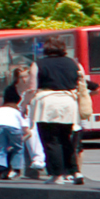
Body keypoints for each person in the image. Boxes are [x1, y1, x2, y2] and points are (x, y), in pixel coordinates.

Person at [32, 38, 86, 184]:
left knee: (51, 140)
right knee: (66, 139)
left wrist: (25, 104)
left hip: (47, 104)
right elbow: (81, 83)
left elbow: (32, 87)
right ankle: (75, 172)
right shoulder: (74, 63)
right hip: (68, 102)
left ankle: (57, 175)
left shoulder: (38, 64)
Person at [0, 84, 30, 180]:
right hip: (13, 127)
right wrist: (19, 141)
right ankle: (15, 170)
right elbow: (28, 132)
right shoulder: (17, 111)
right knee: (18, 149)